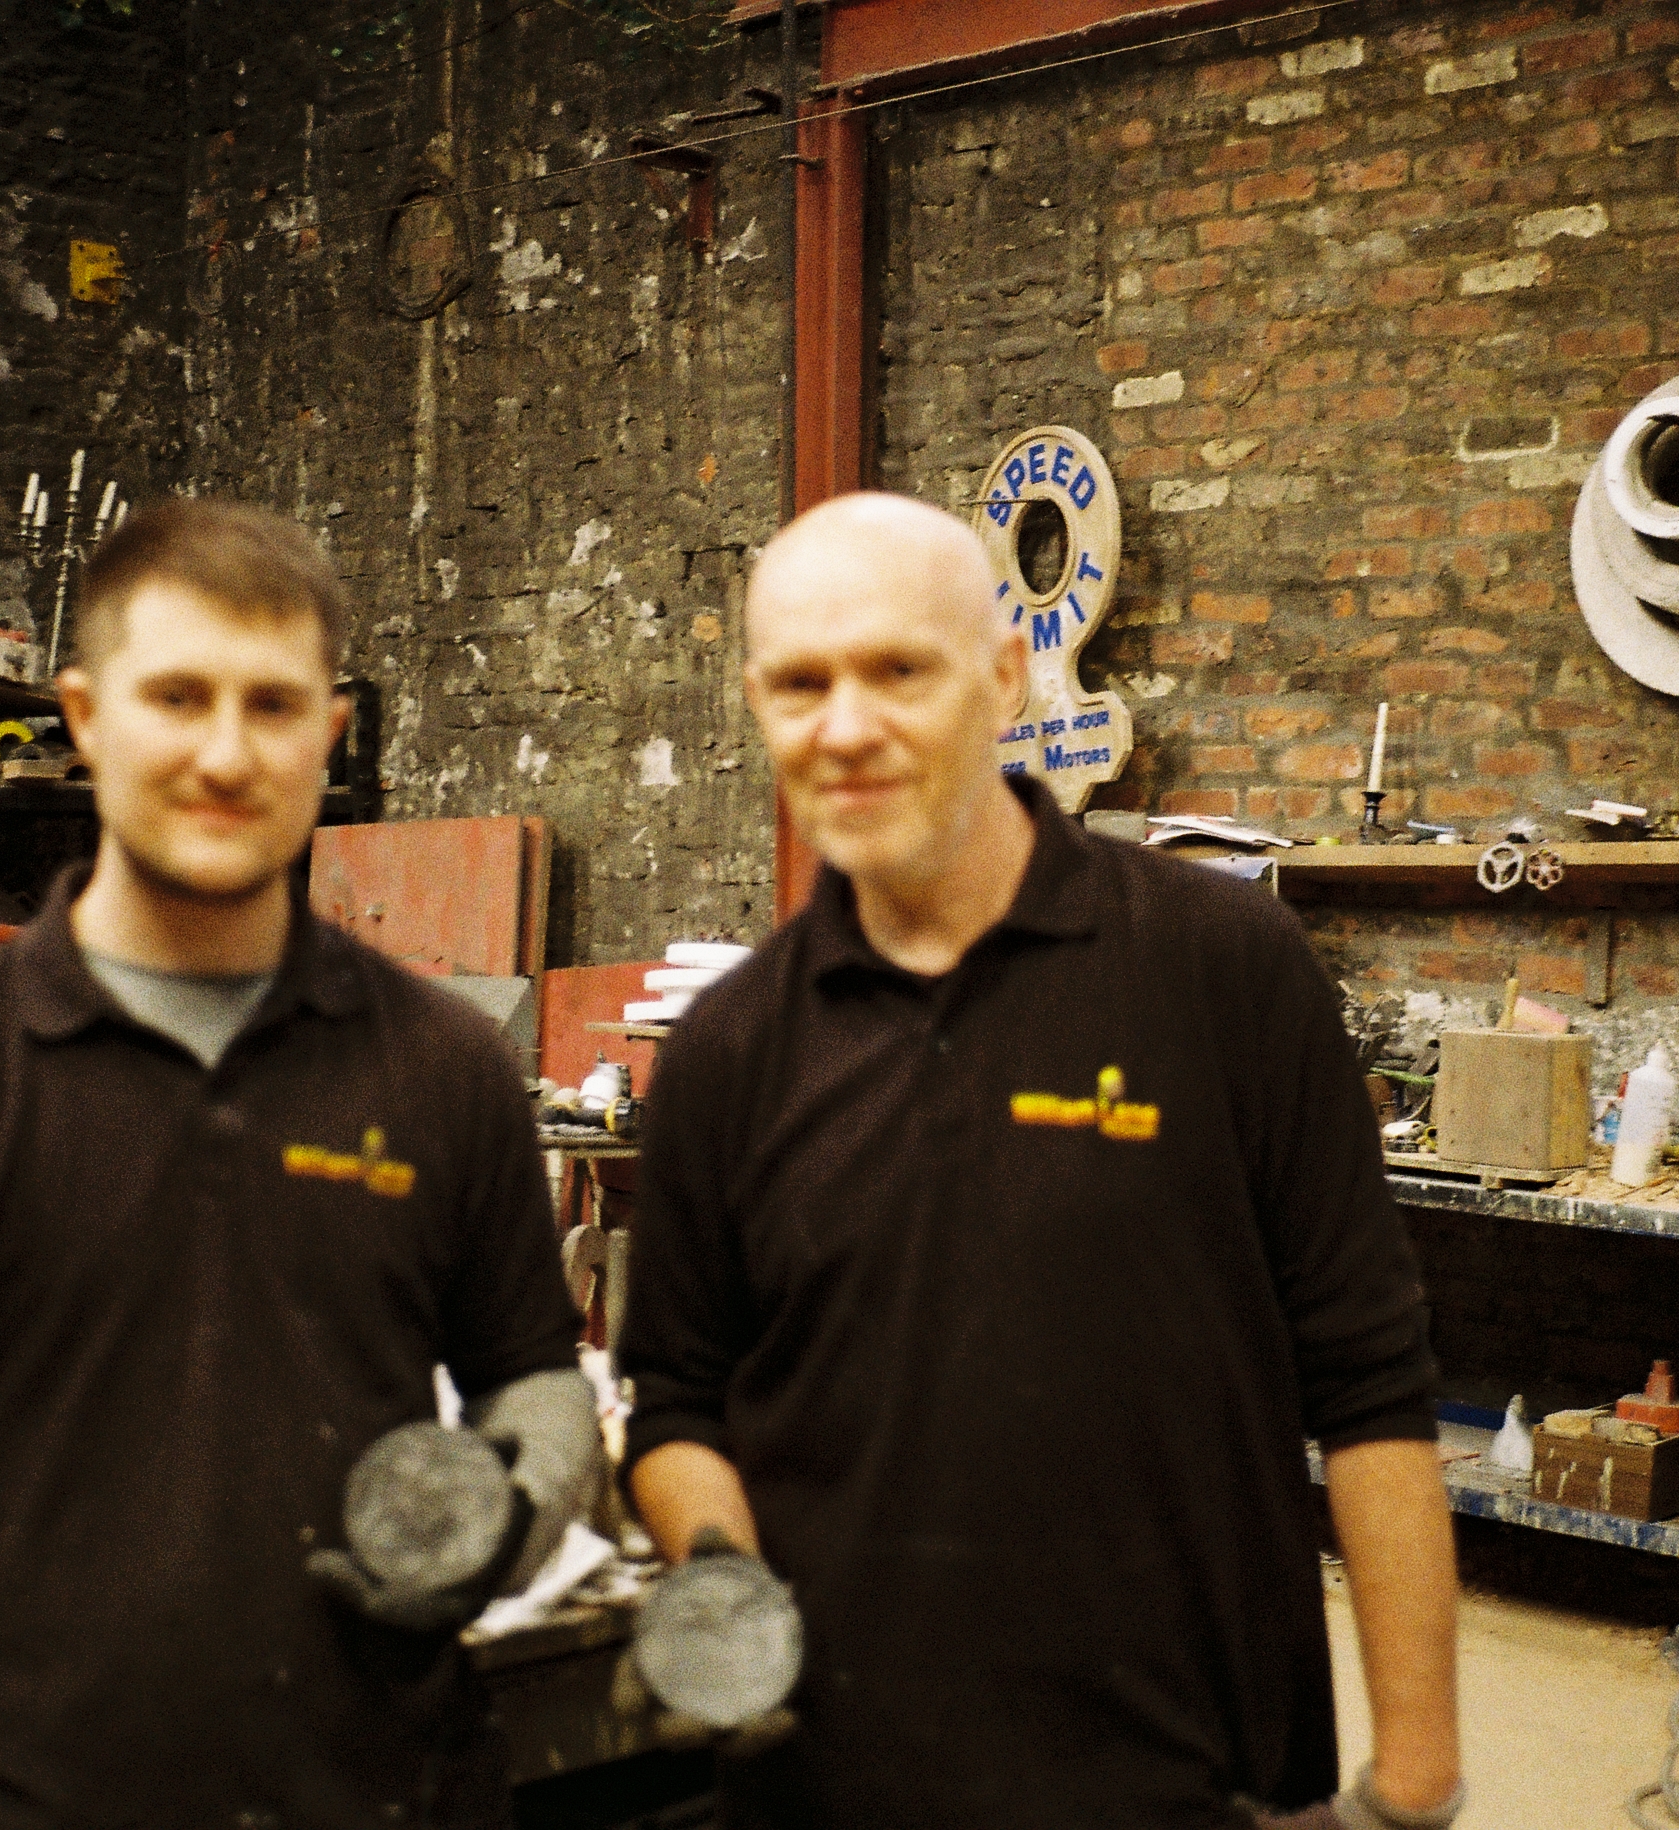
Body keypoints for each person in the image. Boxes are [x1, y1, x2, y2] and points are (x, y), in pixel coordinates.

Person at [620, 493, 1463, 1830]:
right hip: (833, 1788)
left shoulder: (1222, 969)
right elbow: (675, 1400)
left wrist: (1412, 1790)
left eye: (899, 669)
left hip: (1191, 1785)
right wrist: (725, 1589)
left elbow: (1369, 1386)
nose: (846, 725)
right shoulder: (727, 1048)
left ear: (1004, 675)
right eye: (800, 682)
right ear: (757, 704)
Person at [0, 499, 598, 1830]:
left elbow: (538, 1383)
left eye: (271, 705)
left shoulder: (443, 1066)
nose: (224, 750)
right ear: (85, 716)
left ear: (328, 736)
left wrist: (506, 1514)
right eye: (177, 696)